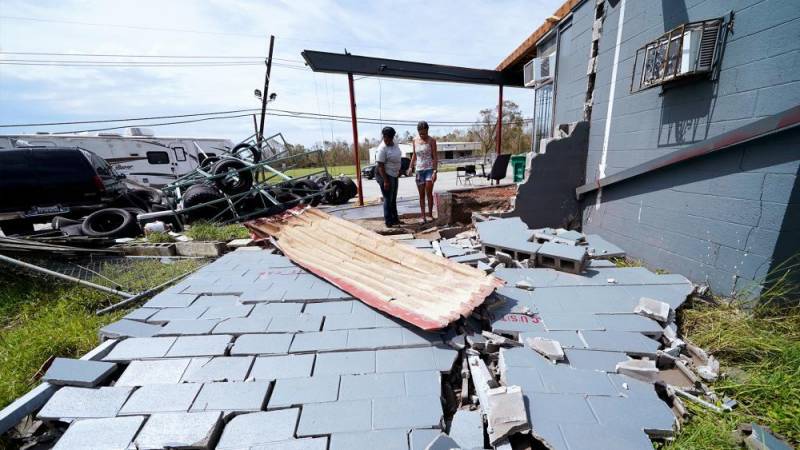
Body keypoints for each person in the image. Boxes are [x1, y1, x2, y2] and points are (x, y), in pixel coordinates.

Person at [409, 121, 438, 223]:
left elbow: (435, 156)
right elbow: (414, 155)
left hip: (429, 169)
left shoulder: (432, 141)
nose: (423, 135)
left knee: (429, 193)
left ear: (427, 131)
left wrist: (435, 171)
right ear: (418, 132)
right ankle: (422, 215)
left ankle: (430, 214)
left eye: (425, 133)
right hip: (419, 170)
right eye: (421, 133)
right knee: (421, 195)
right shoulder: (415, 140)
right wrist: (410, 167)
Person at [375, 126, 402, 227]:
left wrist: (398, 169)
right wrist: (386, 181)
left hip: (394, 174)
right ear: (383, 136)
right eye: (385, 137)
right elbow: (380, 166)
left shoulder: (395, 143)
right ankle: (389, 222)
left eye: (389, 138)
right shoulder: (382, 149)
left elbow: (398, 156)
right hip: (384, 175)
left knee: (393, 198)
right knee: (388, 198)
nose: (387, 140)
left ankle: (395, 219)